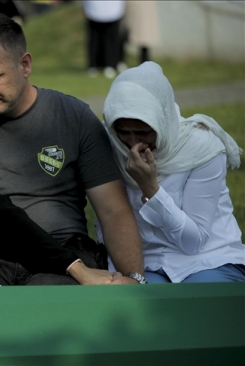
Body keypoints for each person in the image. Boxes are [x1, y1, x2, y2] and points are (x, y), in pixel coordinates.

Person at [0, 14, 145, 286]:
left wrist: (134, 278)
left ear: (25, 64)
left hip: (65, 255)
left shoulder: (74, 117)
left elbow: (113, 211)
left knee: (52, 306)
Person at [100, 61, 245, 283]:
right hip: (144, 262)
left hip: (207, 259)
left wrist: (150, 188)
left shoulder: (201, 147)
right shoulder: (109, 146)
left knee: (201, 299)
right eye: (123, 132)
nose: (132, 143)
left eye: (143, 132)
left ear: (162, 121)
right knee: (141, 306)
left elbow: (193, 242)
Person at [82, 0, 125, 78]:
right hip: (93, 8)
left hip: (113, 8)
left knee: (111, 38)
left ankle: (111, 64)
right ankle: (93, 65)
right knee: (94, 38)